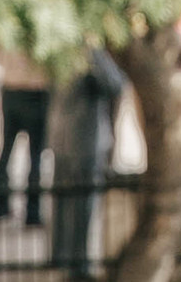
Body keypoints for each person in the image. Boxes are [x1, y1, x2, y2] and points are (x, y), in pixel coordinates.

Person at [50, 48, 125, 279]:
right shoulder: (90, 51)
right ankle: (77, 266)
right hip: (84, 139)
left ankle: (60, 257)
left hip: (61, 136)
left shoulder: (59, 47)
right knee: (82, 206)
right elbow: (115, 84)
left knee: (63, 201)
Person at [0, 49, 50, 227]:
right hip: (35, 90)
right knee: (34, 156)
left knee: (7, 151)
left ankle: (2, 209)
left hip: (11, 89)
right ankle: (32, 213)